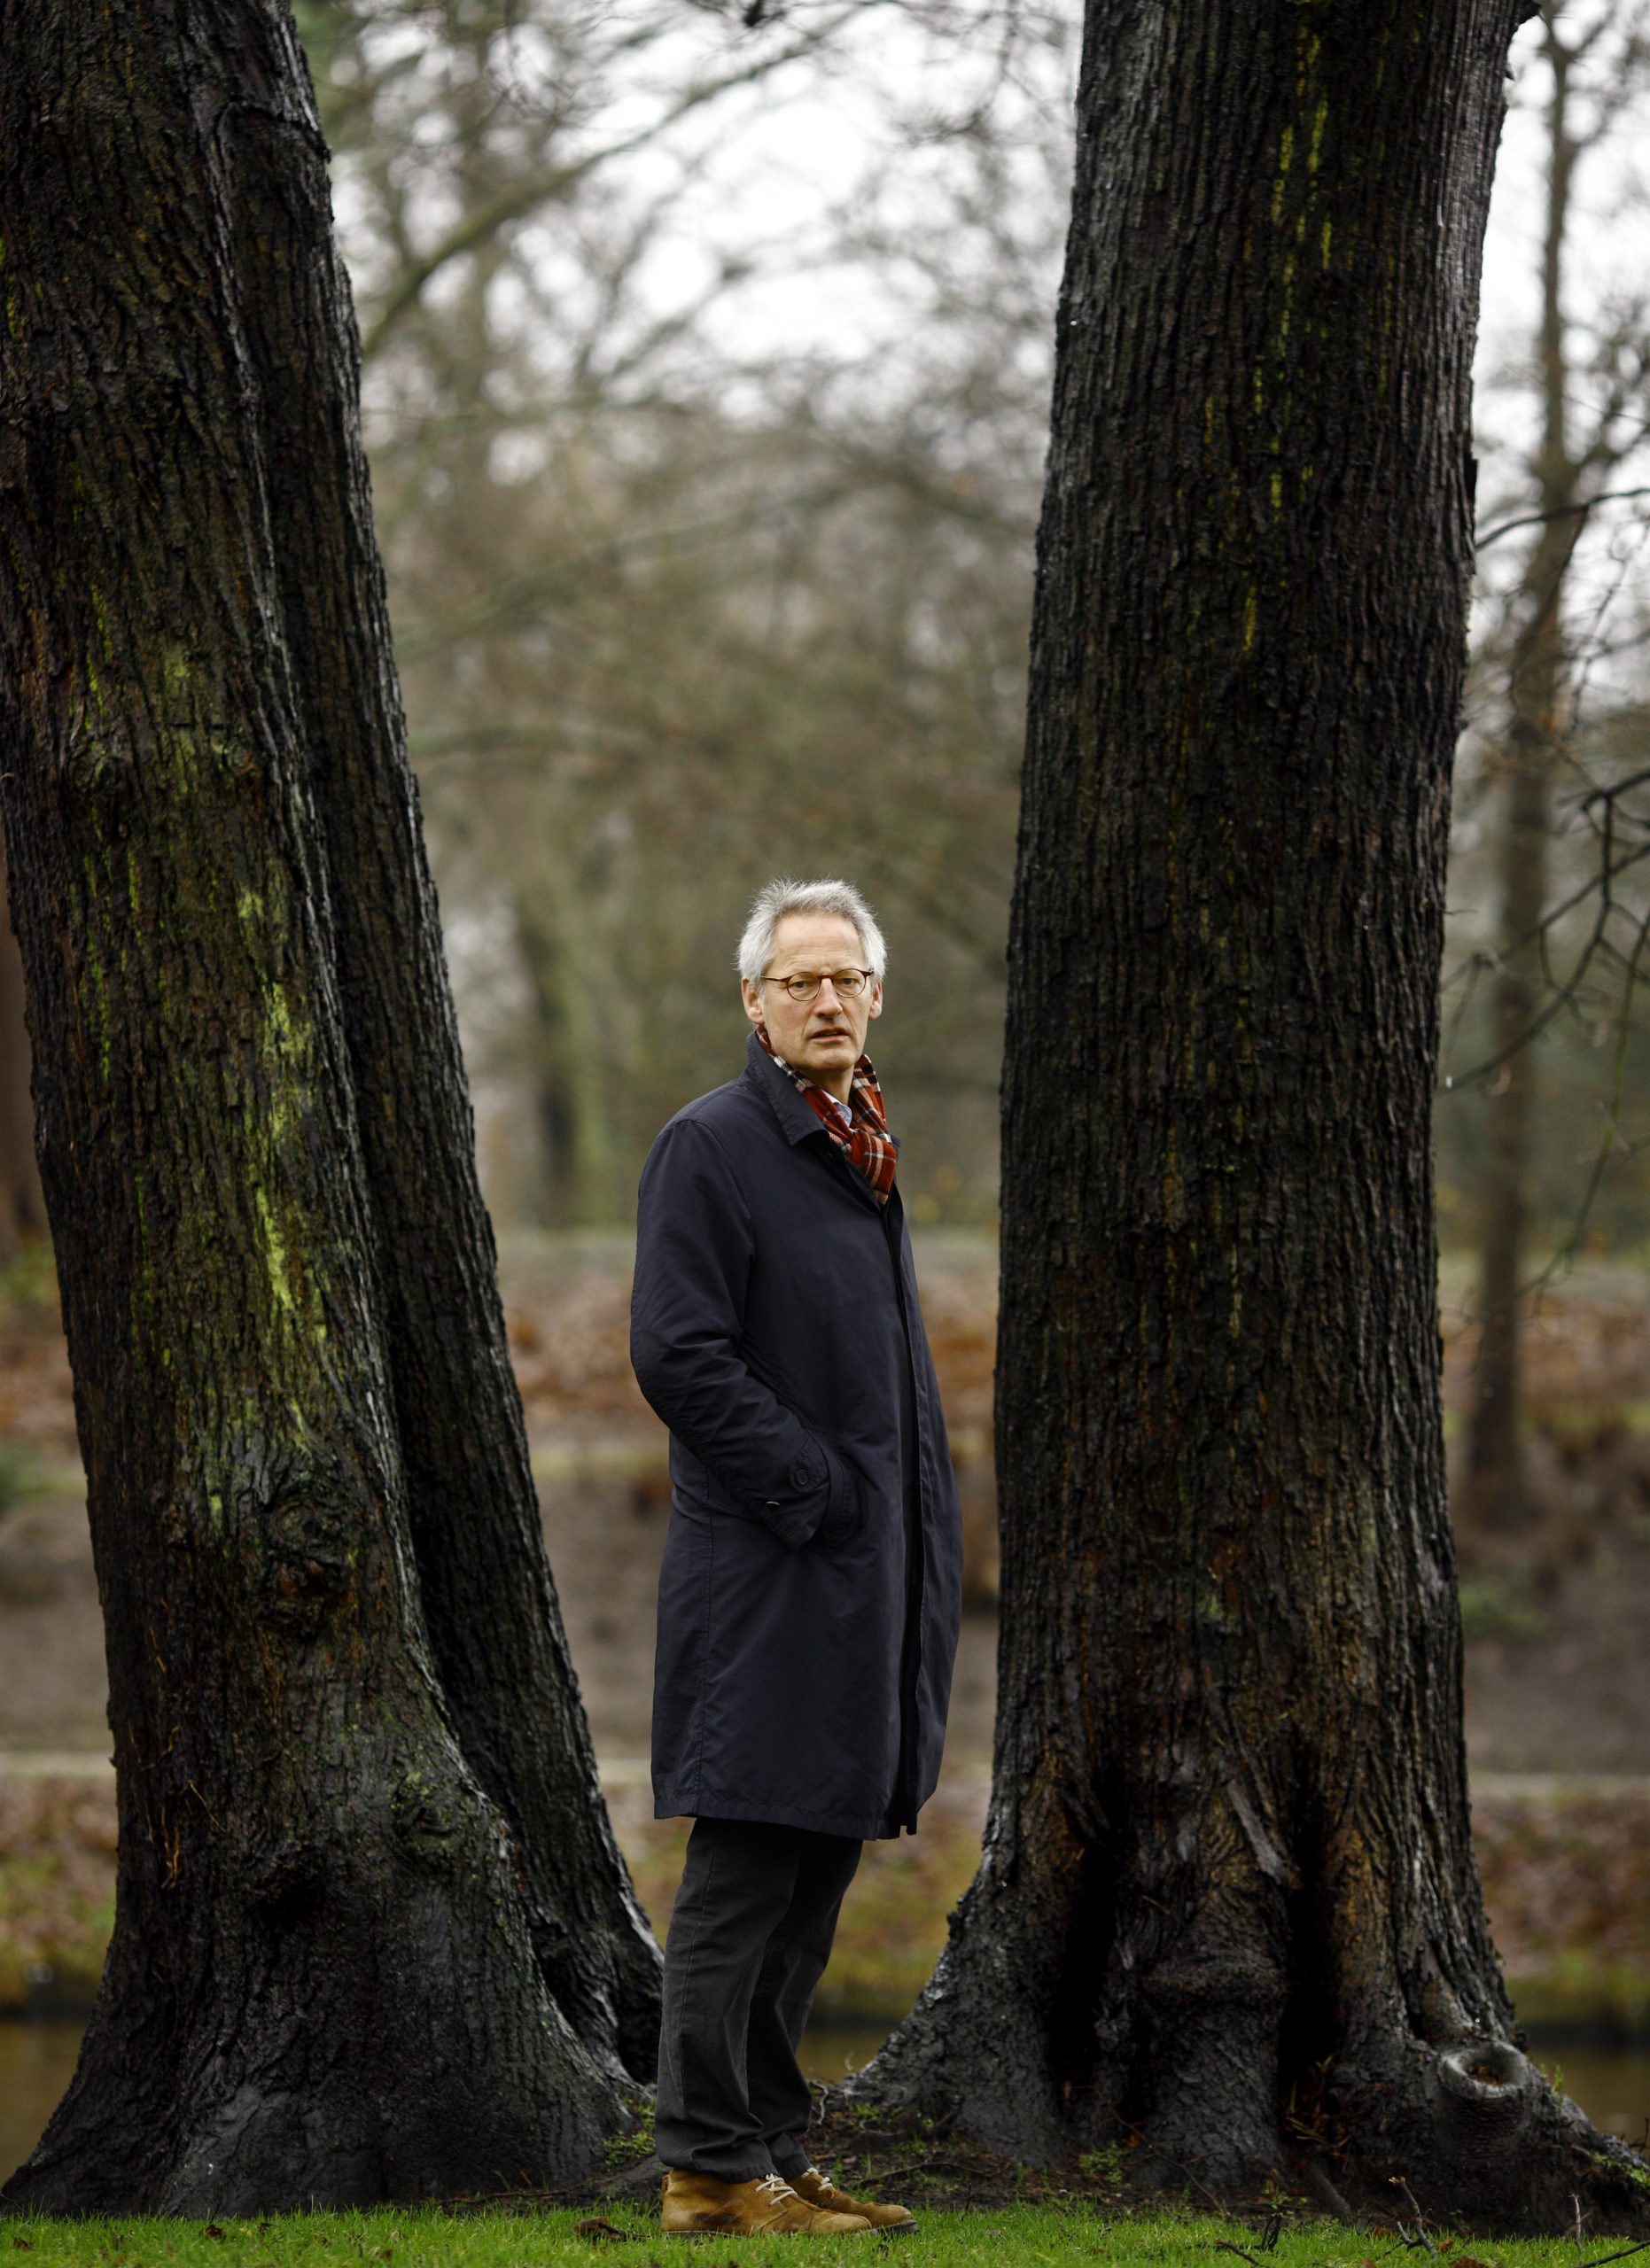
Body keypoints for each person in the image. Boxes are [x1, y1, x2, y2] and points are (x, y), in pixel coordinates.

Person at [630, 876, 963, 2239]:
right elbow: (677, 1354)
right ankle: (706, 2167)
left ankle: (766, 2146)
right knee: (747, 1868)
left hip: (856, 1580)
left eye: (845, 979)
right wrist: (816, 1490)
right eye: (797, 980)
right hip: (770, 1575)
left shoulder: (858, 1147)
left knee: (813, 1869)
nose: (824, 1000)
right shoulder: (710, 1146)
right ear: (754, 1006)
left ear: (875, 999)